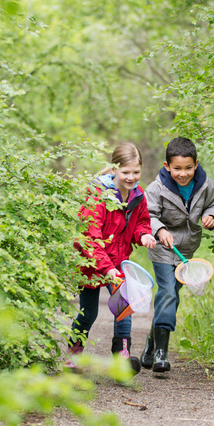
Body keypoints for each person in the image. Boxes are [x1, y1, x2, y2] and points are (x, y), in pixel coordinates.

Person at [67, 143, 157, 373]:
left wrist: (144, 235)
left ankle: (122, 359)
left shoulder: (138, 195)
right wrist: (106, 268)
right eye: (126, 172)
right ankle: (73, 355)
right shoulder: (97, 194)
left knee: (124, 309)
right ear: (114, 169)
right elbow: (89, 236)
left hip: (118, 262)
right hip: (91, 262)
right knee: (89, 313)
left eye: (136, 172)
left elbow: (141, 222)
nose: (131, 177)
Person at [141, 137, 214, 373]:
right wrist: (159, 230)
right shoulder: (156, 188)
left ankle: (151, 344)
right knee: (167, 291)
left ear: (196, 164)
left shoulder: (206, 185)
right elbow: (147, 215)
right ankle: (161, 355)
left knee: (171, 298)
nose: (183, 173)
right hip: (162, 248)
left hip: (186, 251)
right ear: (167, 166)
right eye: (177, 168)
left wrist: (212, 216)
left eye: (188, 168)